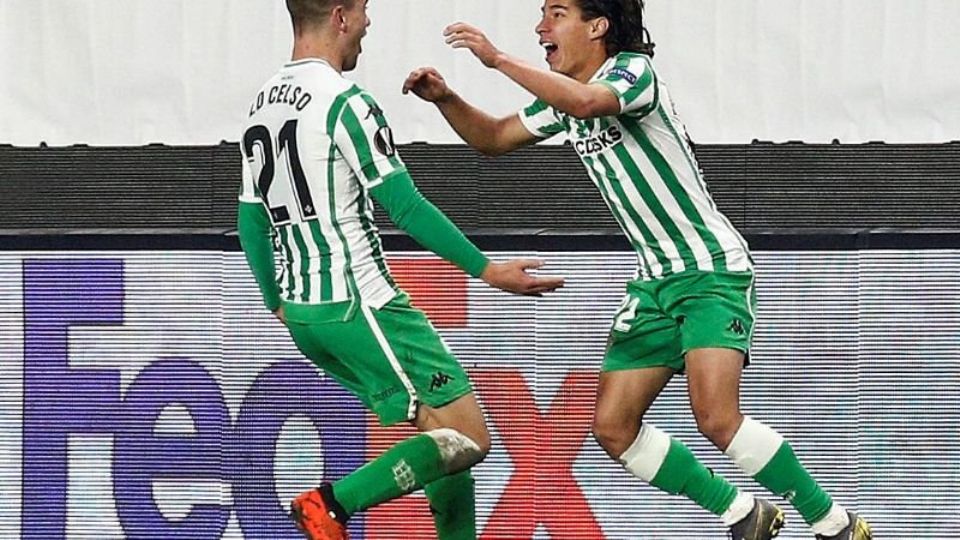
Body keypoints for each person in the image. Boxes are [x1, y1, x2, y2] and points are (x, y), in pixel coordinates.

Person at [403, 1, 872, 539]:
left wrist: (496, 59)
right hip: (653, 283)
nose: (541, 27)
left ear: (597, 26)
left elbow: (586, 102)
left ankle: (835, 524)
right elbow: (493, 138)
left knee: (716, 417)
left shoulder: (632, 73)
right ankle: (742, 513)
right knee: (613, 427)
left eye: (556, 14)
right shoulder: (562, 101)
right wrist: (446, 99)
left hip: (709, 270)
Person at [238, 1, 564, 539]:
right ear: (340, 16)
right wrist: (487, 270)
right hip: (362, 303)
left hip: (306, 315)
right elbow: (406, 206)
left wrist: (275, 299)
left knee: (441, 436)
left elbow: (250, 216)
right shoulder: (345, 102)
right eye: (364, 10)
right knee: (470, 438)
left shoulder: (262, 104)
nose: (368, 24)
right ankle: (331, 504)